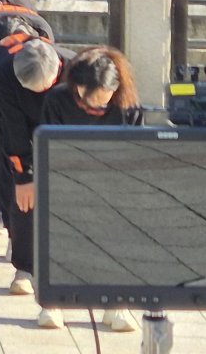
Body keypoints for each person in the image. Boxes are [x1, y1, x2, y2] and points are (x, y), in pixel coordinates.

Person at [35, 46, 142, 333]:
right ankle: (52, 303)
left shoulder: (127, 106)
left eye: (101, 101)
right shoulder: (57, 100)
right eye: (88, 99)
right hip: (66, 179)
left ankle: (116, 304)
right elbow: (46, 145)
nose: (94, 107)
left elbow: (136, 152)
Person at [0, 36, 63, 302]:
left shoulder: (72, 72)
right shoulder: (3, 73)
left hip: (58, 126)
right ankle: (24, 267)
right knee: (22, 194)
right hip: (9, 124)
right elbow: (11, 129)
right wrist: (24, 174)